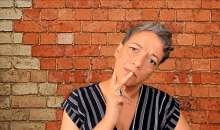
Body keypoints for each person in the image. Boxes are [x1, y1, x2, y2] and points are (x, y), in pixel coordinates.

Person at [60, 22, 192, 130]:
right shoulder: (79, 100)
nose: (138, 62)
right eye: (134, 49)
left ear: (154, 70)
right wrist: (108, 121)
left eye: (151, 60)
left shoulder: (163, 104)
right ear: (118, 50)